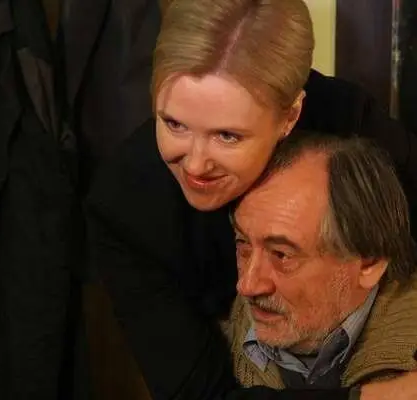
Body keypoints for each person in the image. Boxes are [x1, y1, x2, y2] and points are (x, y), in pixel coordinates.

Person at [85, 0, 417, 399]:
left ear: (290, 116)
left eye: (228, 136)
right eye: (173, 123)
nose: (195, 164)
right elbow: (198, 393)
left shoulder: (356, 129)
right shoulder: (125, 204)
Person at [229, 132, 417, 392]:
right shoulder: (218, 336)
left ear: (369, 263)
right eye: (243, 246)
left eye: (281, 255)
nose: (247, 285)